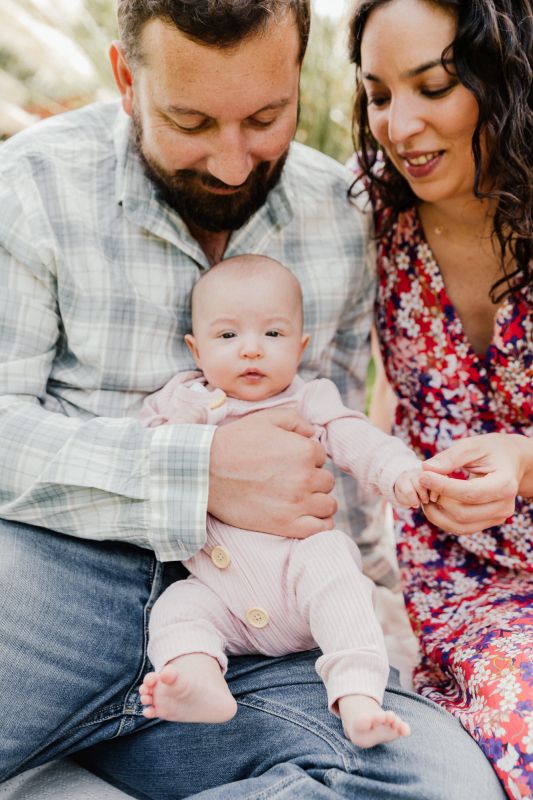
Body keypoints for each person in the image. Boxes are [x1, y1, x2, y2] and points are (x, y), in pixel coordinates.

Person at [0, 1, 506, 798]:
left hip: (260, 644)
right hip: (57, 586)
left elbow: (333, 457)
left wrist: (371, 619)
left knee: (439, 784)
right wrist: (197, 468)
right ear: (128, 78)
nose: (233, 163)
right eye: (190, 120)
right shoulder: (31, 187)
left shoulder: (339, 216)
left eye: (265, 117)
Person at [349, 0, 532, 796]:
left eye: (432, 86)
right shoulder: (370, 226)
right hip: (463, 575)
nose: (398, 124)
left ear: (504, 82)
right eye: (378, 94)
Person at [138, 253, 426, 747]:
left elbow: (356, 437)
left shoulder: (308, 399)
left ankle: (359, 695)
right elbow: (143, 460)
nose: (251, 350)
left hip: (301, 581)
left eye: (273, 335)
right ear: (196, 347)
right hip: (220, 595)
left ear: (300, 345)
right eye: (228, 336)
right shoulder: (179, 402)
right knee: (176, 608)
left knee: (337, 567)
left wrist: (399, 472)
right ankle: (198, 679)